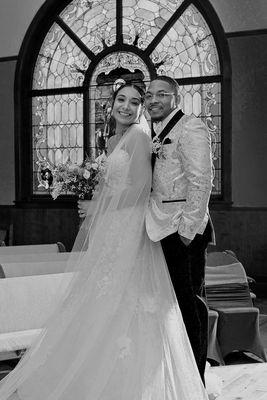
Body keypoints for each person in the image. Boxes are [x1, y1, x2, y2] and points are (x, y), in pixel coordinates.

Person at [0, 83, 208, 400]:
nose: (129, 106)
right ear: (111, 103)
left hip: (152, 226)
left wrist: (99, 206)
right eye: (123, 99)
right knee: (103, 295)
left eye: (137, 101)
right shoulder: (116, 139)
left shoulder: (144, 135)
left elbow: (147, 186)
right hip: (119, 226)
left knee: (157, 301)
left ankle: (181, 376)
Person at [145, 75, 215, 384]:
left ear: (176, 97)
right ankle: (176, 372)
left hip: (183, 229)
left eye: (161, 94)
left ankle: (195, 378)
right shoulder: (152, 131)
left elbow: (202, 180)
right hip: (159, 227)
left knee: (190, 305)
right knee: (170, 304)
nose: (153, 99)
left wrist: (187, 232)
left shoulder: (191, 126)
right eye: (149, 95)